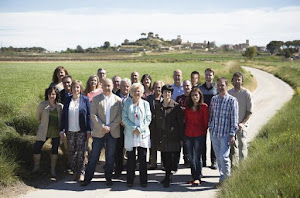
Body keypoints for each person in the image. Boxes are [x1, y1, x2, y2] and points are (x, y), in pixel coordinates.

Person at [81, 78, 122, 186]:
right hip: (99, 132)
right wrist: (102, 126)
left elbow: (119, 117)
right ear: (101, 86)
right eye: (105, 85)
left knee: (110, 156)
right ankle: (87, 179)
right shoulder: (96, 99)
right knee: (94, 155)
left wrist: (110, 127)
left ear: (112, 86)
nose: (107, 88)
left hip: (112, 132)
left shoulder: (118, 100)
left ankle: (108, 178)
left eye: (109, 86)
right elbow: (93, 115)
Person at [60, 80, 92, 181]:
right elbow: (63, 116)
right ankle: (75, 171)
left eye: (78, 87)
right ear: (71, 89)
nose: (76, 89)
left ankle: (82, 172)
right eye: (74, 87)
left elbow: (89, 115)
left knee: (81, 152)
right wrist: (62, 130)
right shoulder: (67, 100)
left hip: (81, 130)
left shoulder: (85, 99)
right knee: (72, 152)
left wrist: (89, 130)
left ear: (80, 89)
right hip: (70, 130)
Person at [209, 77, 239, 184]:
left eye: (222, 85)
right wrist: (210, 127)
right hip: (215, 133)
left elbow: (234, 119)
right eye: (218, 85)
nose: (220, 87)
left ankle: (227, 177)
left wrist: (232, 134)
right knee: (218, 157)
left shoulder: (232, 101)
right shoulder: (214, 99)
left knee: (224, 157)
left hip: (225, 134)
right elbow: (211, 115)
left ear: (227, 86)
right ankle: (223, 176)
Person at [122, 83, 151, 187]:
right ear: (131, 92)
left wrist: (140, 129)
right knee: (131, 159)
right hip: (131, 134)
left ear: (142, 92)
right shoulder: (127, 103)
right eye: (134, 91)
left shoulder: (145, 104)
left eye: (138, 91)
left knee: (142, 159)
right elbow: (124, 118)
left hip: (142, 135)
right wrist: (133, 128)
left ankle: (143, 181)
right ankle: (130, 180)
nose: (136, 93)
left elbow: (148, 118)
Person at [154, 84, 184, 188]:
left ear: (171, 94)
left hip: (173, 136)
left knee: (170, 158)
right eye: (165, 92)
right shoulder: (158, 106)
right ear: (162, 93)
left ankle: (168, 177)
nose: (167, 94)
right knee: (164, 157)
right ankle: (167, 176)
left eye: (169, 92)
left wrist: (180, 137)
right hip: (162, 136)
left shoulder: (176, 107)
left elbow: (180, 123)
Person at [32, 86, 63, 180]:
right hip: (44, 131)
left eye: (53, 94)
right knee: (36, 147)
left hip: (56, 132)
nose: (51, 96)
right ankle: (36, 167)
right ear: (47, 95)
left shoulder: (60, 106)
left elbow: (62, 119)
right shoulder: (42, 105)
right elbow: (38, 117)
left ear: (56, 95)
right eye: (50, 94)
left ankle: (52, 170)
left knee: (54, 150)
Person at [184, 87, 209, 185]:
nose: (195, 97)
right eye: (193, 95)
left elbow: (205, 122)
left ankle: (198, 176)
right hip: (189, 134)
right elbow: (185, 121)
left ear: (200, 96)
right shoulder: (187, 108)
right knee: (190, 156)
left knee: (197, 157)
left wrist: (203, 133)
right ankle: (193, 176)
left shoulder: (204, 107)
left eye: (196, 95)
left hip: (199, 134)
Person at [228, 72, 253, 167]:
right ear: (232, 81)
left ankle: (243, 167)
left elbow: (249, 111)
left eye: (239, 79)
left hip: (242, 124)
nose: (237, 81)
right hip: (231, 125)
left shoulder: (246, 94)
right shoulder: (229, 93)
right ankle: (234, 168)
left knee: (242, 144)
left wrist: (242, 123)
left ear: (242, 81)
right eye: (235, 79)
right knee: (232, 147)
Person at [200, 68, 218, 169]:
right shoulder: (200, 88)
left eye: (210, 75)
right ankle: (203, 160)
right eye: (207, 75)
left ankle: (213, 161)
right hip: (202, 117)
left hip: (214, 117)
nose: (208, 77)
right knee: (202, 140)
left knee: (213, 140)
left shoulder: (216, 88)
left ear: (213, 76)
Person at [114, 78, 131, 178]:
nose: (125, 88)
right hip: (118, 127)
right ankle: (118, 169)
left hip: (129, 127)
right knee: (118, 149)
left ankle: (130, 170)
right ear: (120, 86)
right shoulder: (114, 97)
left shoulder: (133, 97)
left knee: (130, 149)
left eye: (127, 86)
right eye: (123, 86)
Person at [146, 80, 164, 170]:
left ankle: (164, 163)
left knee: (163, 144)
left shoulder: (164, 98)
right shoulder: (149, 98)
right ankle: (153, 163)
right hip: (151, 124)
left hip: (162, 124)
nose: (158, 89)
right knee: (152, 144)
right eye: (156, 87)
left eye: (159, 87)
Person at [175, 80, 192, 166]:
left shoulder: (193, 98)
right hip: (180, 123)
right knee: (179, 142)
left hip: (190, 124)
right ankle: (176, 161)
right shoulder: (179, 98)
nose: (186, 87)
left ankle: (187, 159)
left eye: (188, 86)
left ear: (191, 87)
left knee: (187, 142)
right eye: (184, 86)